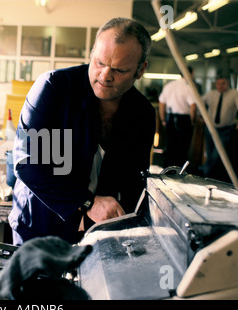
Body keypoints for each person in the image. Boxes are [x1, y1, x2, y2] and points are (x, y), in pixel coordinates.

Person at [9, 17, 156, 246]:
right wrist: (88, 202)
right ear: (91, 54)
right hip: (40, 225)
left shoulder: (142, 114)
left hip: (97, 231)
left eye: (119, 70)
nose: (105, 76)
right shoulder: (53, 89)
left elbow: (134, 182)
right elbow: (28, 163)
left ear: (140, 70)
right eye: (99, 63)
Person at [158, 66, 197, 168]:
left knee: (170, 146)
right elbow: (193, 105)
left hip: (170, 118)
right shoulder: (188, 87)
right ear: (190, 74)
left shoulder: (169, 85)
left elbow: (161, 103)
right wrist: (192, 121)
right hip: (184, 120)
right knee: (182, 148)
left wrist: (163, 119)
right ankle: (179, 172)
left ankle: (167, 171)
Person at [201, 76, 238, 179]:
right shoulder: (211, 94)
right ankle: (210, 176)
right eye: (218, 84)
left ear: (227, 84)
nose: (220, 86)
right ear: (215, 85)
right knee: (209, 153)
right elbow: (199, 103)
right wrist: (201, 116)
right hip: (210, 128)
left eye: (223, 84)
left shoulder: (234, 93)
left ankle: (206, 173)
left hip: (225, 130)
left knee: (216, 154)